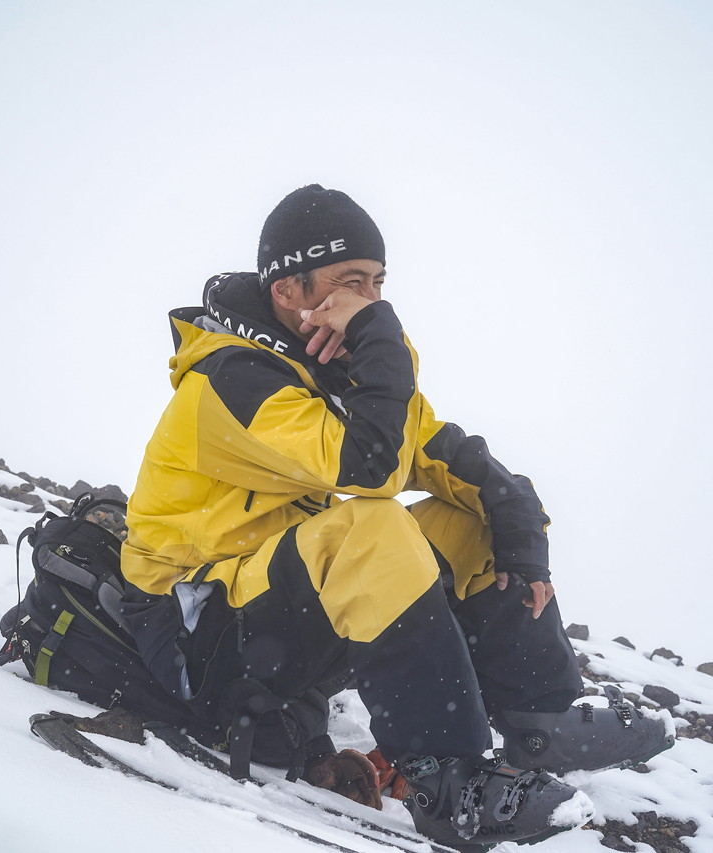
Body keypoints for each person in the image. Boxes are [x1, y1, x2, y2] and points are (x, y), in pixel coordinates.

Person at [121, 185, 671, 847]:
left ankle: (542, 720)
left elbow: (471, 471)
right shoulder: (231, 382)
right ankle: (451, 783)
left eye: (377, 283)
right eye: (350, 282)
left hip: (273, 617)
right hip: (199, 641)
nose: (368, 299)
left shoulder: (334, 372)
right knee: (374, 524)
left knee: (465, 519)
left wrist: (521, 549)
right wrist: (378, 334)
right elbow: (372, 465)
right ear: (287, 291)